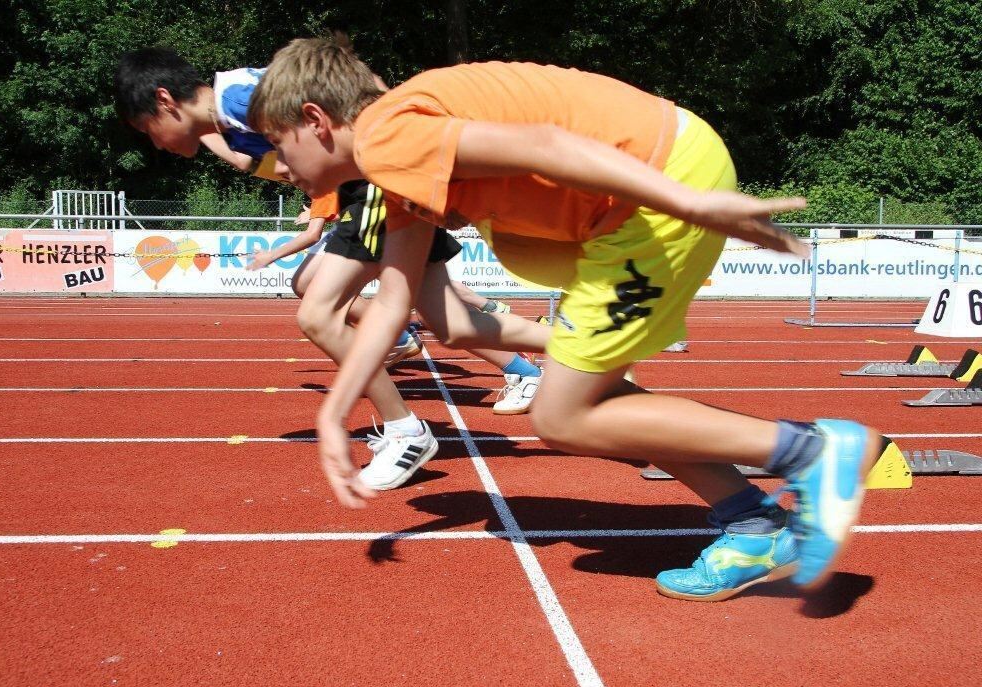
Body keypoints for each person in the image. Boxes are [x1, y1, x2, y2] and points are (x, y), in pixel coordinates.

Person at [247, 36, 881, 598]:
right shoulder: (395, 169)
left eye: (278, 145)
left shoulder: (387, 136)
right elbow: (393, 303)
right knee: (596, 399)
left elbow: (545, 144)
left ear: (316, 120)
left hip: (653, 191)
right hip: (646, 188)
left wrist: (687, 201)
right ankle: (753, 524)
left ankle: (814, 453)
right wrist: (333, 415)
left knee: (560, 416)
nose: (280, 168)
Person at [114, 48, 550, 490]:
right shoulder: (229, 117)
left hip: (376, 187)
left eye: (148, 130)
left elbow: (362, 85)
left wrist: (404, 152)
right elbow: (265, 163)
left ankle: (406, 431)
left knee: (318, 314)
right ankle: (575, 345)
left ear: (165, 100)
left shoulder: (239, 98)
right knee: (452, 324)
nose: (156, 144)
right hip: (378, 187)